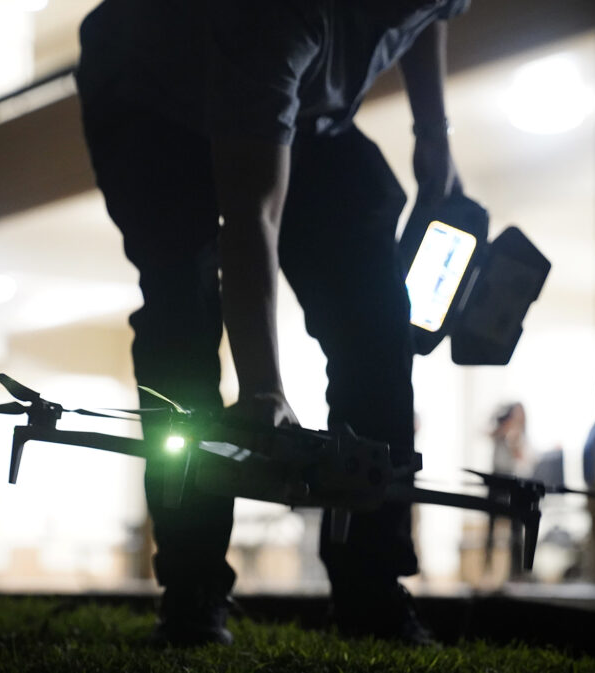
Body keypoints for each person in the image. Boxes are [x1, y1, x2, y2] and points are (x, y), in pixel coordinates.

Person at [75, 0, 470, 646]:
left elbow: (427, 17)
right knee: (184, 306)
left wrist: (434, 134)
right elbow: (249, 220)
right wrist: (264, 388)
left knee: (375, 310)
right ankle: (193, 590)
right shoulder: (280, 17)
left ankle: (369, 592)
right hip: (152, 100)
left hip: (306, 112)